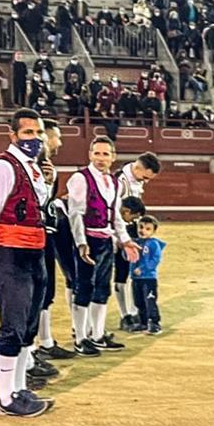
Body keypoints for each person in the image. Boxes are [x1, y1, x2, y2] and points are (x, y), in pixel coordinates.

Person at [0, 108, 53, 417]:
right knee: (13, 323)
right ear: (13, 135)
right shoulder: (1, 167)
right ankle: (6, 399)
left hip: (34, 251)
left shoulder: (33, 169)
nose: (35, 138)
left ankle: (18, 389)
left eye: (38, 132)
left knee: (28, 325)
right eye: (28, 132)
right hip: (9, 252)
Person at [67, 136, 141, 357]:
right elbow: (75, 213)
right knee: (83, 289)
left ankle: (97, 335)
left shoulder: (115, 183)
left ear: (113, 157)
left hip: (106, 241)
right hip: (88, 241)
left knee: (101, 289)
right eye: (97, 153)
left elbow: (115, 215)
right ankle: (80, 339)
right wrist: (81, 243)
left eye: (105, 154)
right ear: (90, 155)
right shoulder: (80, 178)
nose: (101, 158)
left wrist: (125, 239)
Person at [34, 118, 77, 363]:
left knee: (46, 288)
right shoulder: (35, 167)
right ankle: (38, 346)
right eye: (56, 137)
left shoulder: (48, 167)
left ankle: (46, 341)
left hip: (46, 234)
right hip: (35, 236)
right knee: (40, 289)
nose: (59, 142)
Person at [114, 152, 161, 331]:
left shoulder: (135, 180)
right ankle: (125, 315)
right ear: (138, 168)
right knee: (121, 273)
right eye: (145, 177)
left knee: (133, 272)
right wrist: (118, 236)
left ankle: (135, 312)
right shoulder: (119, 181)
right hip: (120, 230)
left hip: (133, 228)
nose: (146, 181)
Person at [130, 215, 165, 335]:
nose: (143, 231)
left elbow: (155, 260)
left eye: (147, 229)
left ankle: (154, 323)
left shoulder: (154, 244)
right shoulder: (135, 243)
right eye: (140, 227)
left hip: (148, 278)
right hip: (136, 278)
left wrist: (143, 268)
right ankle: (143, 322)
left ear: (153, 231)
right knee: (138, 301)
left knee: (149, 300)